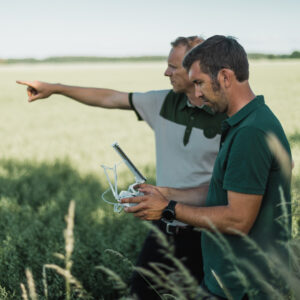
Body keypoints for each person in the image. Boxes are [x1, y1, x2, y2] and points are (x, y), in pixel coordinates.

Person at [17, 36, 227, 299]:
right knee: (141, 293)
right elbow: (109, 97)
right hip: (165, 225)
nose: (166, 72)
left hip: (210, 231)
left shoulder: (228, 115)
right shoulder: (161, 103)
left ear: (197, 70)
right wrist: (56, 88)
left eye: (174, 67)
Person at [122, 35, 292, 300]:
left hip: (243, 286)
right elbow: (221, 193)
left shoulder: (251, 133)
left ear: (225, 77)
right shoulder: (243, 123)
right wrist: (164, 192)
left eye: (199, 83)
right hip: (222, 279)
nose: (197, 93)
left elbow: (238, 219)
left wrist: (167, 209)